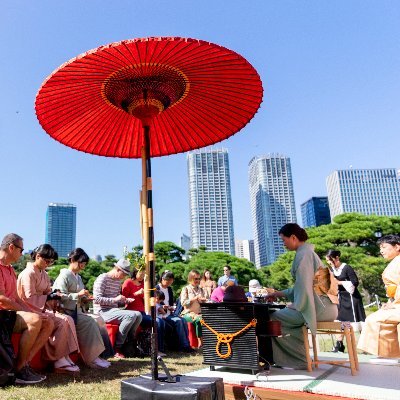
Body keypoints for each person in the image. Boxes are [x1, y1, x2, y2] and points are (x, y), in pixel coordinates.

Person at [265, 224, 338, 370]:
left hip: (319, 308)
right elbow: (301, 286)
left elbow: (304, 287)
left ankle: (299, 360)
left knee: (272, 318)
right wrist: (279, 293)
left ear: (293, 237)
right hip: (327, 306)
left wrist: (298, 305)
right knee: (282, 317)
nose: (283, 244)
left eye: (284, 240)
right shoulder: (307, 253)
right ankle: (300, 358)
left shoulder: (303, 255)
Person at [17, 244, 80, 374]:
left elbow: (46, 292)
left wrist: (53, 295)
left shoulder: (44, 274)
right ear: (38, 256)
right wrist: (48, 297)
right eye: (47, 260)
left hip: (39, 308)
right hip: (29, 309)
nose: (49, 263)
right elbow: (28, 299)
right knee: (62, 321)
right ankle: (57, 359)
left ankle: (64, 356)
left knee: (67, 319)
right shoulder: (28, 273)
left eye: (51, 261)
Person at [0, 233, 53, 384]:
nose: (22, 253)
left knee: (47, 321)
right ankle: (20, 370)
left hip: (9, 314)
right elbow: (2, 299)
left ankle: (22, 365)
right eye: (21, 250)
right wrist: (29, 313)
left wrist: (32, 312)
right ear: (11, 247)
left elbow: (16, 298)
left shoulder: (10, 269)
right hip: (2, 314)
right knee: (35, 320)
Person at [52, 248, 110, 368]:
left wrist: (85, 299)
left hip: (76, 310)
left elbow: (79, 297)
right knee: (90, 322)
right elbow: (60, 296)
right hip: (66, 311)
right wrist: (78, 295)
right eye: (80, 263)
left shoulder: (77, 277)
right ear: (72, 260)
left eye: (84, 264)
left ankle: (98, 355)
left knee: (98, 319)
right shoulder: (64, 275)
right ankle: (92, 358)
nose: (82, 266)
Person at [358, 234, 400, 364]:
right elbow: (392, 290)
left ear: (397, 247)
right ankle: (388, 353)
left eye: (384, 247)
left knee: (374, 319)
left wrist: (395, 303)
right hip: (396, 302)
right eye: (380, 248)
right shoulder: (395, 262)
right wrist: (390, 302)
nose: (381, 251)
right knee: (377, 316)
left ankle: (388, 354)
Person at [93, 258, 142, 358]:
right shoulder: (102, 278)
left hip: (113, 310)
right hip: (102, 311)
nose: (123, 277)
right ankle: (117, 347)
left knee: (138, 315)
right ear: (118, 269)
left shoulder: (117, 281)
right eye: (123, 274)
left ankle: (129, 342)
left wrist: (124, 300)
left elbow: (116, 301)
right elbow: (96, 299)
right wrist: (115, 299)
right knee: (131, 315)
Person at [325, 249, 366, 353]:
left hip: (352, 298)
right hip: (341, 299)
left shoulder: (347, 268)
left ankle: (366, 346)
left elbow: (355, 282)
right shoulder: (332, 269)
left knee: (358, 323)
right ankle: (340, 345)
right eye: (327, 261)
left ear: (337, 258)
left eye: (330, 260)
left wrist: (339, 282)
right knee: (342, 321)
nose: (329, 263)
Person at [122, 267, 167, 356]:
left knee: (160, 322)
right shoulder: (128, 282)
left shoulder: (144, 284)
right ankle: (156, 350)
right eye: (140, 274)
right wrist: (136, 294)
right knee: (156, 322)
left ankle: (161, 348)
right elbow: (123, 299)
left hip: (143, 312)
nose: (142, 276)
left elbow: (146, 301)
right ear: (135, 273)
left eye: (144, 274)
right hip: (132, 312)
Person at [156, 270, 194, 353]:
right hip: (161, 315)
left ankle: (186, 344)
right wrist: (163, 307)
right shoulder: (156, 288)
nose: (169, 282)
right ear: (162, 279)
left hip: (170, 313)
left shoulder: (169, 289)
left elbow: (170, 302)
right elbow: (155, 303)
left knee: (183, 320)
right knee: (178, 321)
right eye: (168, 280)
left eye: (171, 280)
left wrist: (171, 307)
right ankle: (184, 346)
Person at [180, 269, 207, 347]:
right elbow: (183, 303)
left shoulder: (201, 289)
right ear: (190, 278)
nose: (197, 280)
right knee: (198, 320)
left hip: (199, 313)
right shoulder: (186, 289)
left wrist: (203, 301)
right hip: (187, 314)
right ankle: (200, 343)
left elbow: (205, 303)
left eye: (199, 278)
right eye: (196, 279)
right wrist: (195, 298)